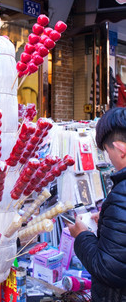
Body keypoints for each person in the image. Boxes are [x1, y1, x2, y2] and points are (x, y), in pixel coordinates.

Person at [67, 107, 126, 302]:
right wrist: (111, 223)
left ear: (120, 149)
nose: (108, 160)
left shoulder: (122, 195)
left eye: (108, 152)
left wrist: (82, 236)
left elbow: (107, 268)